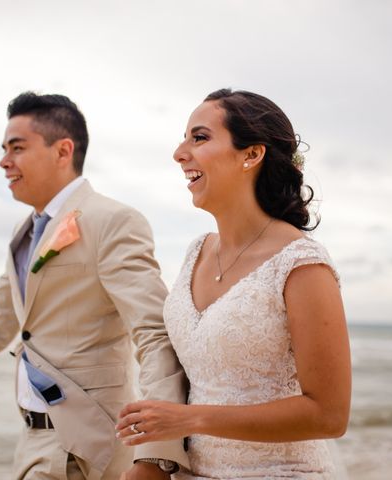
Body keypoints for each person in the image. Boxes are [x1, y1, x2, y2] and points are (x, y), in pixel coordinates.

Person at [0, 92, 189, 480]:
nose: (4, 161)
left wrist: (155, 455)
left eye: (17, 148)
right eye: (4, 149)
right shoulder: (23, 235)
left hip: (84, 444)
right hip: (30, 443)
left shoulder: (113, 220)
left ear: (63, 151)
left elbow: (153, 334)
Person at [115, 89, 351, 479]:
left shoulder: (302, 264)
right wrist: (153, 460)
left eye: (199, 137)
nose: (179, 152)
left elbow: (328, 416)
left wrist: (189, 419)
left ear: (252, 155)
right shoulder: (197, 252)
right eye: (184, 137)